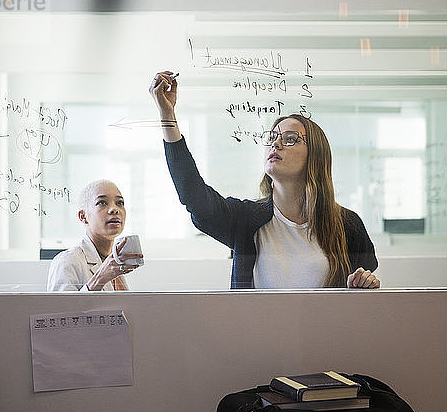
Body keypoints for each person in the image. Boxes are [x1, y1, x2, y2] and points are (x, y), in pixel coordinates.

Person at [149, 70, 380, 289]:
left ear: (315, 156)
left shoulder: (347, 224)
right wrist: (167, 115)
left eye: (290, 139)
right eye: (272, 137)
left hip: (322, 331)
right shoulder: (245, 219)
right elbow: (194, 196)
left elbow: (358, 299)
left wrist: (365, 286)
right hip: (256, 332)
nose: (276, 144)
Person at [47, 179, 143, 291]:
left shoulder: (114, 262)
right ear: (83, 216)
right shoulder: (67, 261)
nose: (114, 209)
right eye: (102, 203)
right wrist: (100, 278)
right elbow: (59, 308)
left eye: (119, 203)